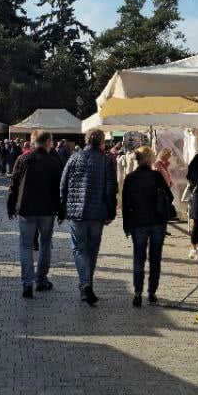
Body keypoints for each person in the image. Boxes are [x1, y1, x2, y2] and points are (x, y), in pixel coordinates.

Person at [60, 128, 118, 306]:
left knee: (79, 249)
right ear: (101, 142)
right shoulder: (105, 160)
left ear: (86, 140)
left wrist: (63, 208)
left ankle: (85, 284)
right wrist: (111, 212)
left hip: (76, 213)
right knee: (92, 250)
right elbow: (110, 189)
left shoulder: (74, 157)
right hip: (97, 213)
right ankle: (87, 284)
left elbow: (63, 184)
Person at [8, 130, 64, 298]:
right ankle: (41, 280)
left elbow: (14, 185)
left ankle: (27, 284)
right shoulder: (55, 161)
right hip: (47, 210)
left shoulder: (23, 159)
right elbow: (60, 189)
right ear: (47, 142)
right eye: (52, 141)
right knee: (45, 245)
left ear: (34, 142)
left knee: (25, 246)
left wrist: (11, 207)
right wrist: (62, 211)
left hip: (26, 209)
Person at [122, 146, 175, 307]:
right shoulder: (157, 176)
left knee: (139, 258)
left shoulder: (130, 178)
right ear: (150, 158)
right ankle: (152, 292)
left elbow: (125, 205)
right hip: (158, 221)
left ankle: (138, 292)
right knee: (155, 257)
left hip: (138, 223)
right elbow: (170, 196)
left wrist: (126, 226)